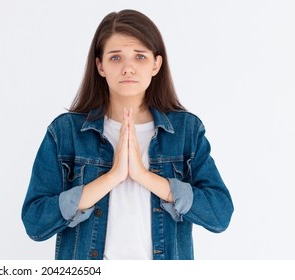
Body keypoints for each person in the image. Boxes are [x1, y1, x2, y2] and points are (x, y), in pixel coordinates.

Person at [21, 9, 234, 260]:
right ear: (99, 65)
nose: (128, 68)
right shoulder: (66, 132)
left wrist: (143, 176)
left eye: (140, 57)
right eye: (115, 58)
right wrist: (112, 177)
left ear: (156, 64)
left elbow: (220, 215)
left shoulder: (186, 131)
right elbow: (35, 223)